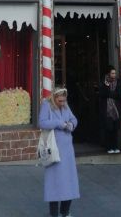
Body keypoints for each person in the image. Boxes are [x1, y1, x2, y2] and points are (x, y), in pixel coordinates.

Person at [38, 87, 80, 217]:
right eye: (60, 101)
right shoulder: (46, 105)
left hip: (67, 151)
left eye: (64, 100)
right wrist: (58, 123)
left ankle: (65, 211)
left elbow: (74, 119)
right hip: (54, 150)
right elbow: (42, 123)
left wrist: (72, 125)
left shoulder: (66, 106)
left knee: (69, 182)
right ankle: (54, 213)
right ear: (54, 98)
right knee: (54, 184)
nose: (62, 103)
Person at [99, 65, 121, 154]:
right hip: (107, 109)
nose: (114, 75)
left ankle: (115, 146)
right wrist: (110, 92)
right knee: (109, 128)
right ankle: (109, 147)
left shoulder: (118, 82)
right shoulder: (104, 82)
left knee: (115, 129)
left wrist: (110, 94)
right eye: (112, 73)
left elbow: (119, 95)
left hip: (116, 109)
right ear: (108, 74)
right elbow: (102, 94)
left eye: (115, 73)